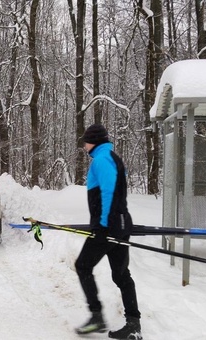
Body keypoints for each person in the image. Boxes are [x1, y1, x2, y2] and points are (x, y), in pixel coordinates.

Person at [74, 124, 142, 340]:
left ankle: (96, 317)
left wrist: (103, 226)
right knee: (122, 274)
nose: (84, 145)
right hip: (121, 224)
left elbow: (109, 192)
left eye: (85, 141)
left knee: (83, 266)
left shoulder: (101, 160)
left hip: (109, 227)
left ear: (93, 141)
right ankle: (133, 324)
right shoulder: (113, 157)